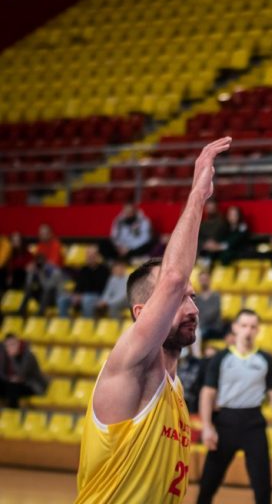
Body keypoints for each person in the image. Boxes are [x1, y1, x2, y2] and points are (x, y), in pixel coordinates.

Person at [74, 137, 231, 503]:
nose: (192, 308)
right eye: (178, 299)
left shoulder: (175, 388)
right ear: (142, 314)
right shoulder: (132, 362)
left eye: (191, 297)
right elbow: (174, 276)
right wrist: (198, 195)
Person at [198, 309, 272, 504]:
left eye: (253, 326)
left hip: (254, 424)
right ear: (235, 328)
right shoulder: (221, 358)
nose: (248, 331)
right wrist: (207, 427)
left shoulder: (265, 360)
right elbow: (207, 393)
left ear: (258, 330)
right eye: (244, 326)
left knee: (263, 487)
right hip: (225, 423)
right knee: (208, 484)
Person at [57, 246, 110, 318]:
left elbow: (102, 288)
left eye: (92, 256)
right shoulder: (83, 269)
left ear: (97, 257)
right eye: (88, 256)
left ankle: (87, 322)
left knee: (86, 299)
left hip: (97, 295)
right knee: (62, 299)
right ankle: (64, 322)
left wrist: (82, 296)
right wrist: (75, 294)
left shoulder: (104, 270)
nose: (90, 258)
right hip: (82, 295)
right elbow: (78, 285)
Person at [0, 333, 48, 408]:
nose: (10, 348)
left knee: (12, 387)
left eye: (12, 344)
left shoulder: (28, 355)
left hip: (33, 385)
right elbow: (3, 374)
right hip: (17, 384)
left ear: (18, 344)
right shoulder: (7, 356)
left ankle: (13, 412)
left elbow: (21, 374)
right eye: (7, 346)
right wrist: (8, 378)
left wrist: (12, 358)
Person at [195, 270, 222, 341]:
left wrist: (200, 323)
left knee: (197, 333)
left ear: (209, 280)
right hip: (200, 326)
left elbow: (213, 313)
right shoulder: (197, 297)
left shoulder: (215, 296)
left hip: (213, 327)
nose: (203, 282)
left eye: (205, 279)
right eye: (201, 280)